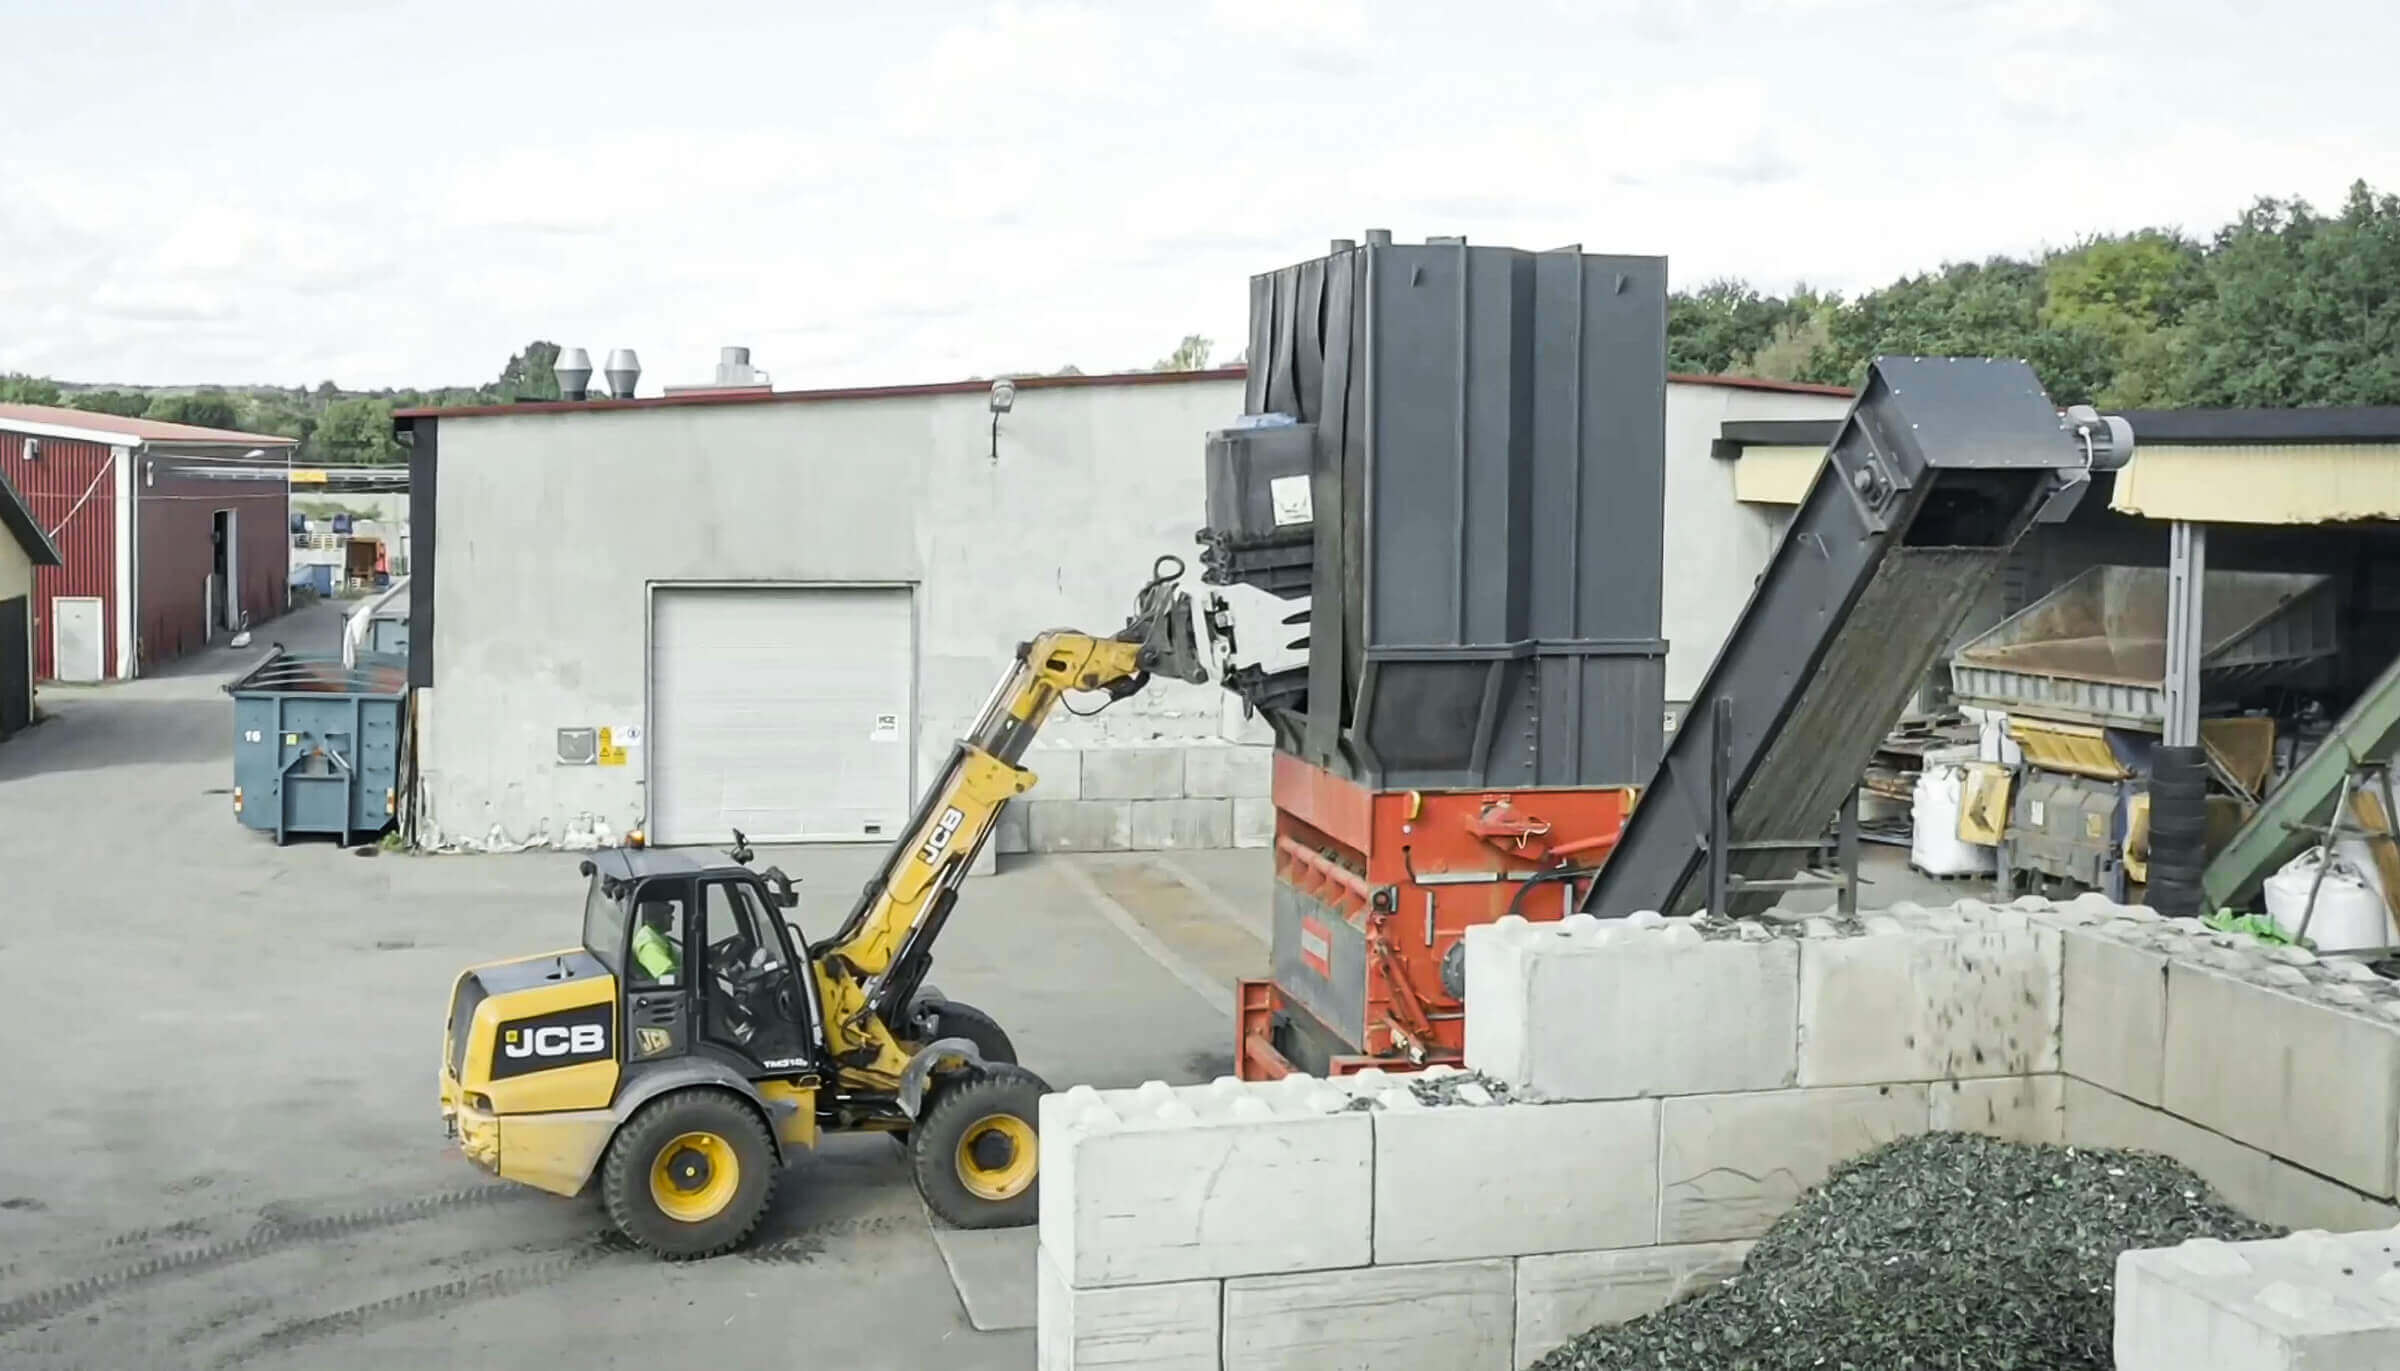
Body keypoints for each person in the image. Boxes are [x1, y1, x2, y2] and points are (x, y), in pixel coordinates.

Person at [631, 900, 681, 982]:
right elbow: (668, 977)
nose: (673, 918)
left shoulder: (658, 935)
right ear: (657, 917)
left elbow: (681, 958)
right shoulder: (648, 944)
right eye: (668, 914)